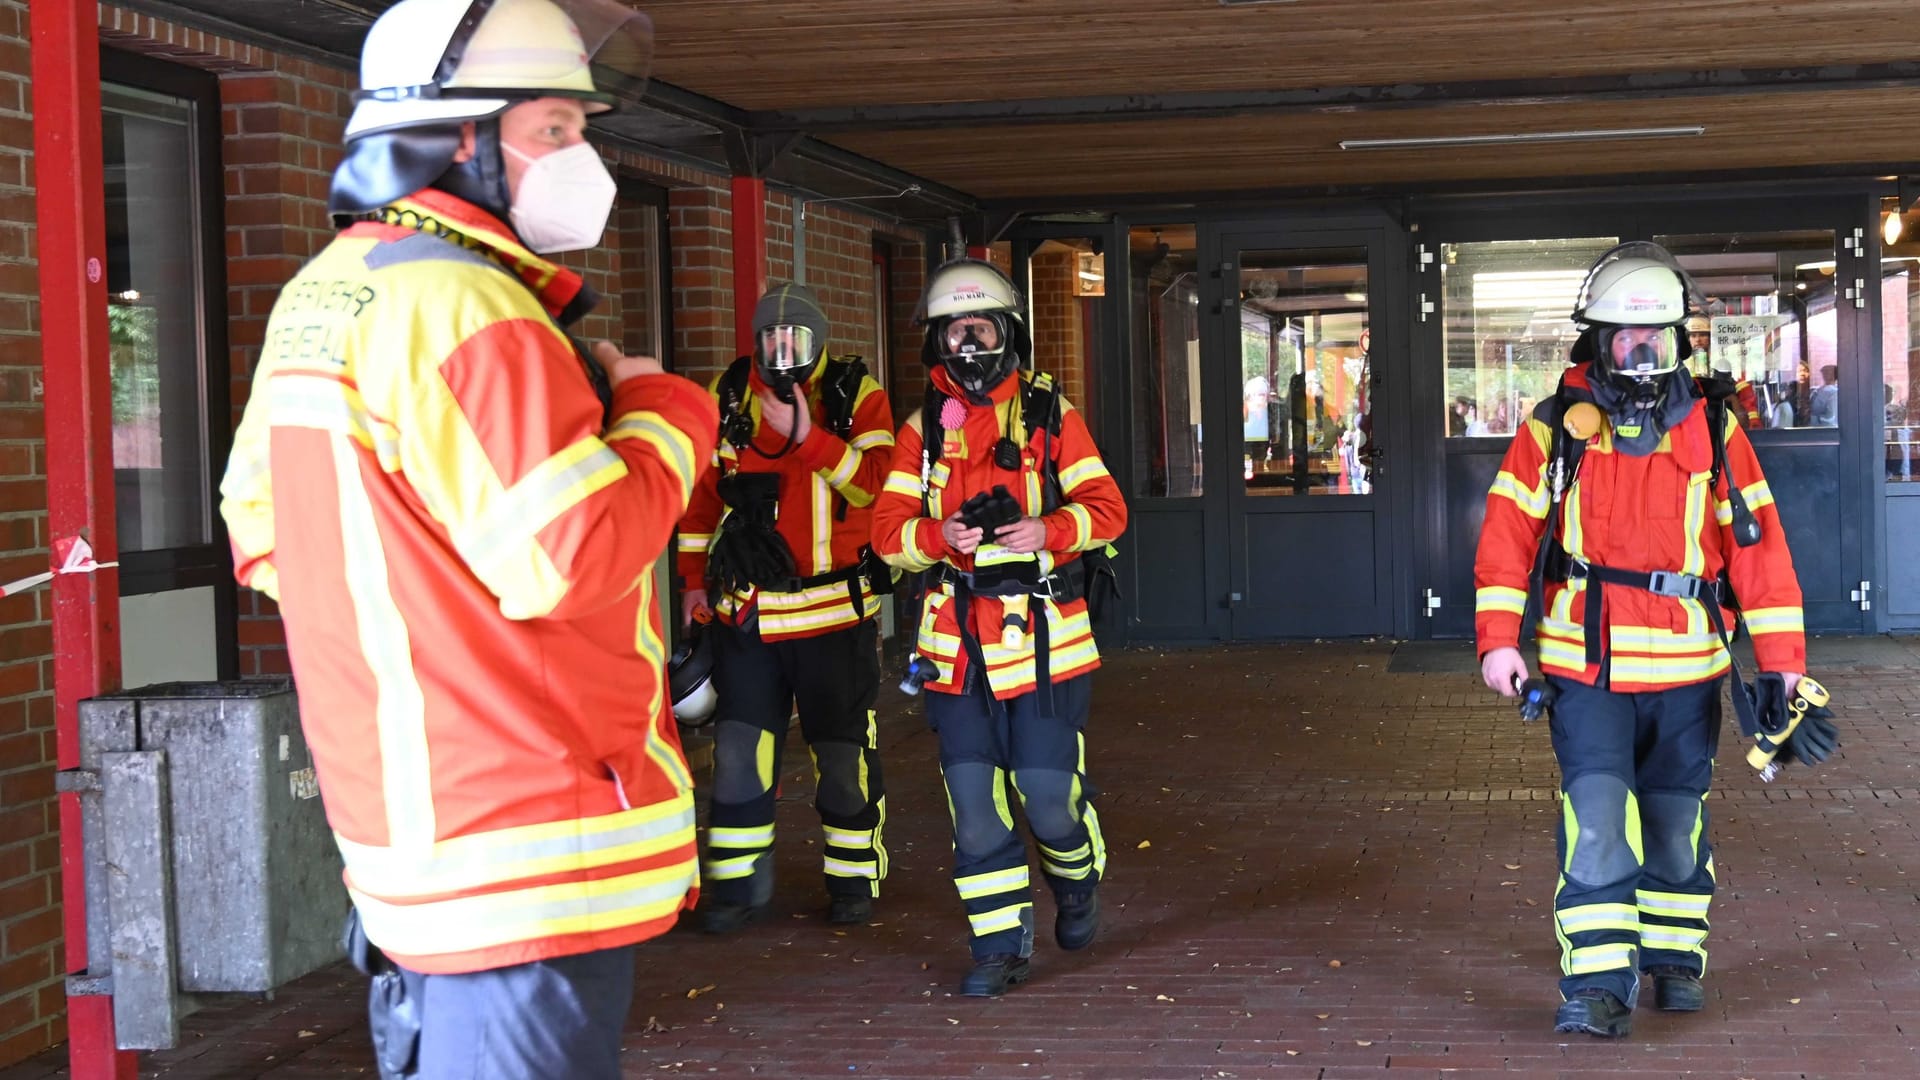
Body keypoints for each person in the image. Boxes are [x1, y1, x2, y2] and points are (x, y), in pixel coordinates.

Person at [219, 2, 717, 1076]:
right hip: (521, 842)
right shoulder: (471, 308)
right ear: (453, 139)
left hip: (412, 838)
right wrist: (667, 417)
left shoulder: (326, 296)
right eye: (553, 130)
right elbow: (572, 557)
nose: (583, 159)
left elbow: (265, 539)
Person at [1473, 242, 1807, 1040]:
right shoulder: (1557, 429)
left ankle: (1673, 960)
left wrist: (1783, 664)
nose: (1641, 352)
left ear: (1682, 340)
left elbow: (1760, 551)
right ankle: (1595, 982)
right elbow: (1507, 535)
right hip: (1585, 668)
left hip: (1689, 669)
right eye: (1625, 337)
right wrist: (1497, 640)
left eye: (1655, 336)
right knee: (1596, 814)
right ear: (1596, 341)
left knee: (1672, 818)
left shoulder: (1716, 428)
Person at [871, 258, 1128, 998]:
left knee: (1049, 801)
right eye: (956, 326)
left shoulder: (1052, 414)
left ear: (1007, 330)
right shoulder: (920, 429)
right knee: (975, 807)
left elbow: (1108, 509)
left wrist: (1046, 530)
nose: (969, 338)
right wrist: (935, 534)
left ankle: (1077, 885)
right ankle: (999, 947)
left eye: (980, 323)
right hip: (956, 650)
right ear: (938, 341)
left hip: (1043, 643)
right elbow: (887, 533)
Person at [675, 283, 896, 932]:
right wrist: (693, 583)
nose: (781, 352)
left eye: (793, 340)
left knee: (840, 755)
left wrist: (807, 437)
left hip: (832, 613)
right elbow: (701, 500)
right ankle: (739, 887)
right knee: (740, 753)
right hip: (750, 615)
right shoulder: (729, 393)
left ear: (817, 342)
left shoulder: (856, 395)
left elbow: (877, 485)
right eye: (770, 340)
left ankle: (854, 878)